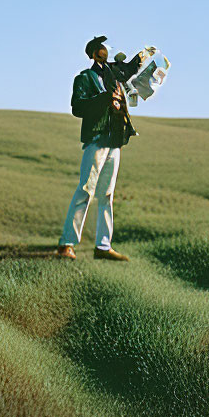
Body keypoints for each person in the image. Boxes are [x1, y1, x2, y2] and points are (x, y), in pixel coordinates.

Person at [57, 36, 143, 261]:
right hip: (97, 138)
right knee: (85, 189)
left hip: (115, 139)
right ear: (95, 53)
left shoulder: (114, 74)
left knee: (107, 194)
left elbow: (130, 69)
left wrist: (141, 58)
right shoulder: (84, 77)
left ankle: (103, 246)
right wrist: (104, 98)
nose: (108, 49)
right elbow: (78, 107)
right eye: (104, 48)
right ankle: (66, 244)